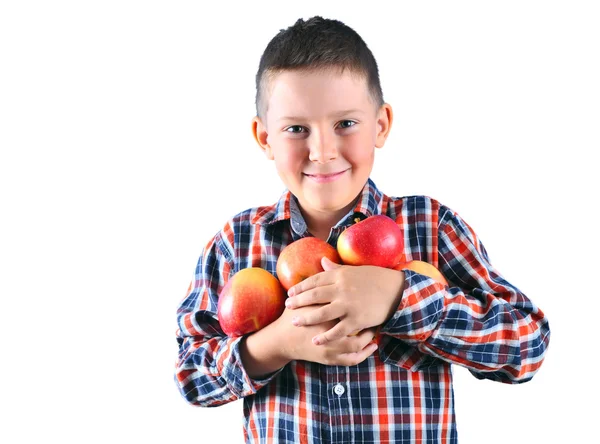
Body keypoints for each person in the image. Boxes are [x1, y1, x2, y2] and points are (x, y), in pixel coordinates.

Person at [174, 16, 550, 443]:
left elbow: (528, 346)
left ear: (381, 125)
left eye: (345, 124)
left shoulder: (429, 228)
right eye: (296, 129)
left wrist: (401, 299)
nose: (322, 150)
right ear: (264, 138)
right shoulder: (237, 244)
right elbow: (190, 374)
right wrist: (273, 345)